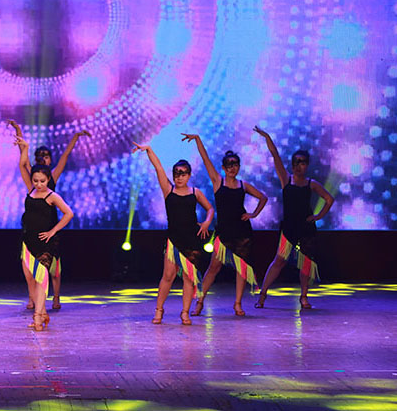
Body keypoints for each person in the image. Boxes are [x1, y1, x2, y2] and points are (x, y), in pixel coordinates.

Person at [182, 134, 268, 317]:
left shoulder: (243, 185)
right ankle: (199, 302)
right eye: (229, 165)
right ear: (223, 167)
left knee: (242, 269)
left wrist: (253, 214)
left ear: (239, 166)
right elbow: (205, 159)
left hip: (242, 233)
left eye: (235, 164)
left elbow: (263, 197)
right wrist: (198, 139)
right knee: (214, 267)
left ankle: (237, 304)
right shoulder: (217, 181)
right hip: (224, 233)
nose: (232, 167)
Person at [9, 119, 89, 310]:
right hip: (31, 228)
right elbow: (22, 161)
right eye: (40, 156)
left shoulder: (51, 180)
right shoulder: (33, 180)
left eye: (46, 156)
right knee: (30, 270)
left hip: (49, 222)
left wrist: (75, 137)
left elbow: (65, 155)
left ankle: (55, 297)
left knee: (53, 269)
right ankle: (33, 300)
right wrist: (19, 132)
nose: (43, 159)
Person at [132, 142, 214, 325]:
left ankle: (185, 313)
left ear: (189, 175)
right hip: (174, 240)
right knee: (168, 276)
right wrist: (149, 150)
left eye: (183, 173)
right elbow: (158, 168)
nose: (179, 177)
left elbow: (210, 209)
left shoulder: (195, 192)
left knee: (188, 278)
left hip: (192, 240)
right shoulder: (168, 190)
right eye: (176, 173)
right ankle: (159, 310)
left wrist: (207, 222)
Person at [253, 126, 334, 309]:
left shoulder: (311, 184)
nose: (299, 165)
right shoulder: (286, 179)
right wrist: (267, 136)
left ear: (307, 165)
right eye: (296, 162)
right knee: (279, 260)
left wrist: (318, 216)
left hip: (306, 228)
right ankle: (263, 294)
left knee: (306, 263)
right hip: (289, 228)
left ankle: (304, 297)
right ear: (292, 165)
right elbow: (275, 155)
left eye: (302, 162)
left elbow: (329, 199)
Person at [15, 136, 74, 331]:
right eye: (36, 180)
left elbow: (69, 213)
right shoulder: (31, 190)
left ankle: (38, 317)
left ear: (48, 179)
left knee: (42, 279)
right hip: (28, 241)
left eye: (42, 181)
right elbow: (22, 165)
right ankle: (41, 312)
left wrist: (53, 231)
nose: (39, 184)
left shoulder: (52, 196)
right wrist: (25, 147)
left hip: (44, 243)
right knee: (31, 278)